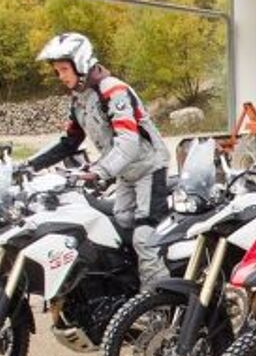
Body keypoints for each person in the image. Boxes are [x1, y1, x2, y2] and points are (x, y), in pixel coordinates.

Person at [28, 32, 171, 288]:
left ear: (81, 63)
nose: (60, 76)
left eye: (64, 69)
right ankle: (129, 285)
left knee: (144, 237)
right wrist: (29, 165)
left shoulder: (113, 90)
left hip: (149, 169)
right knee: (120, 227)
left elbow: (128, 142)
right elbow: (70, 141)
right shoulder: (80, 99)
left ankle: (158, 301)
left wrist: (98, 171)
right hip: (125, 173)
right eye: (57, 71)